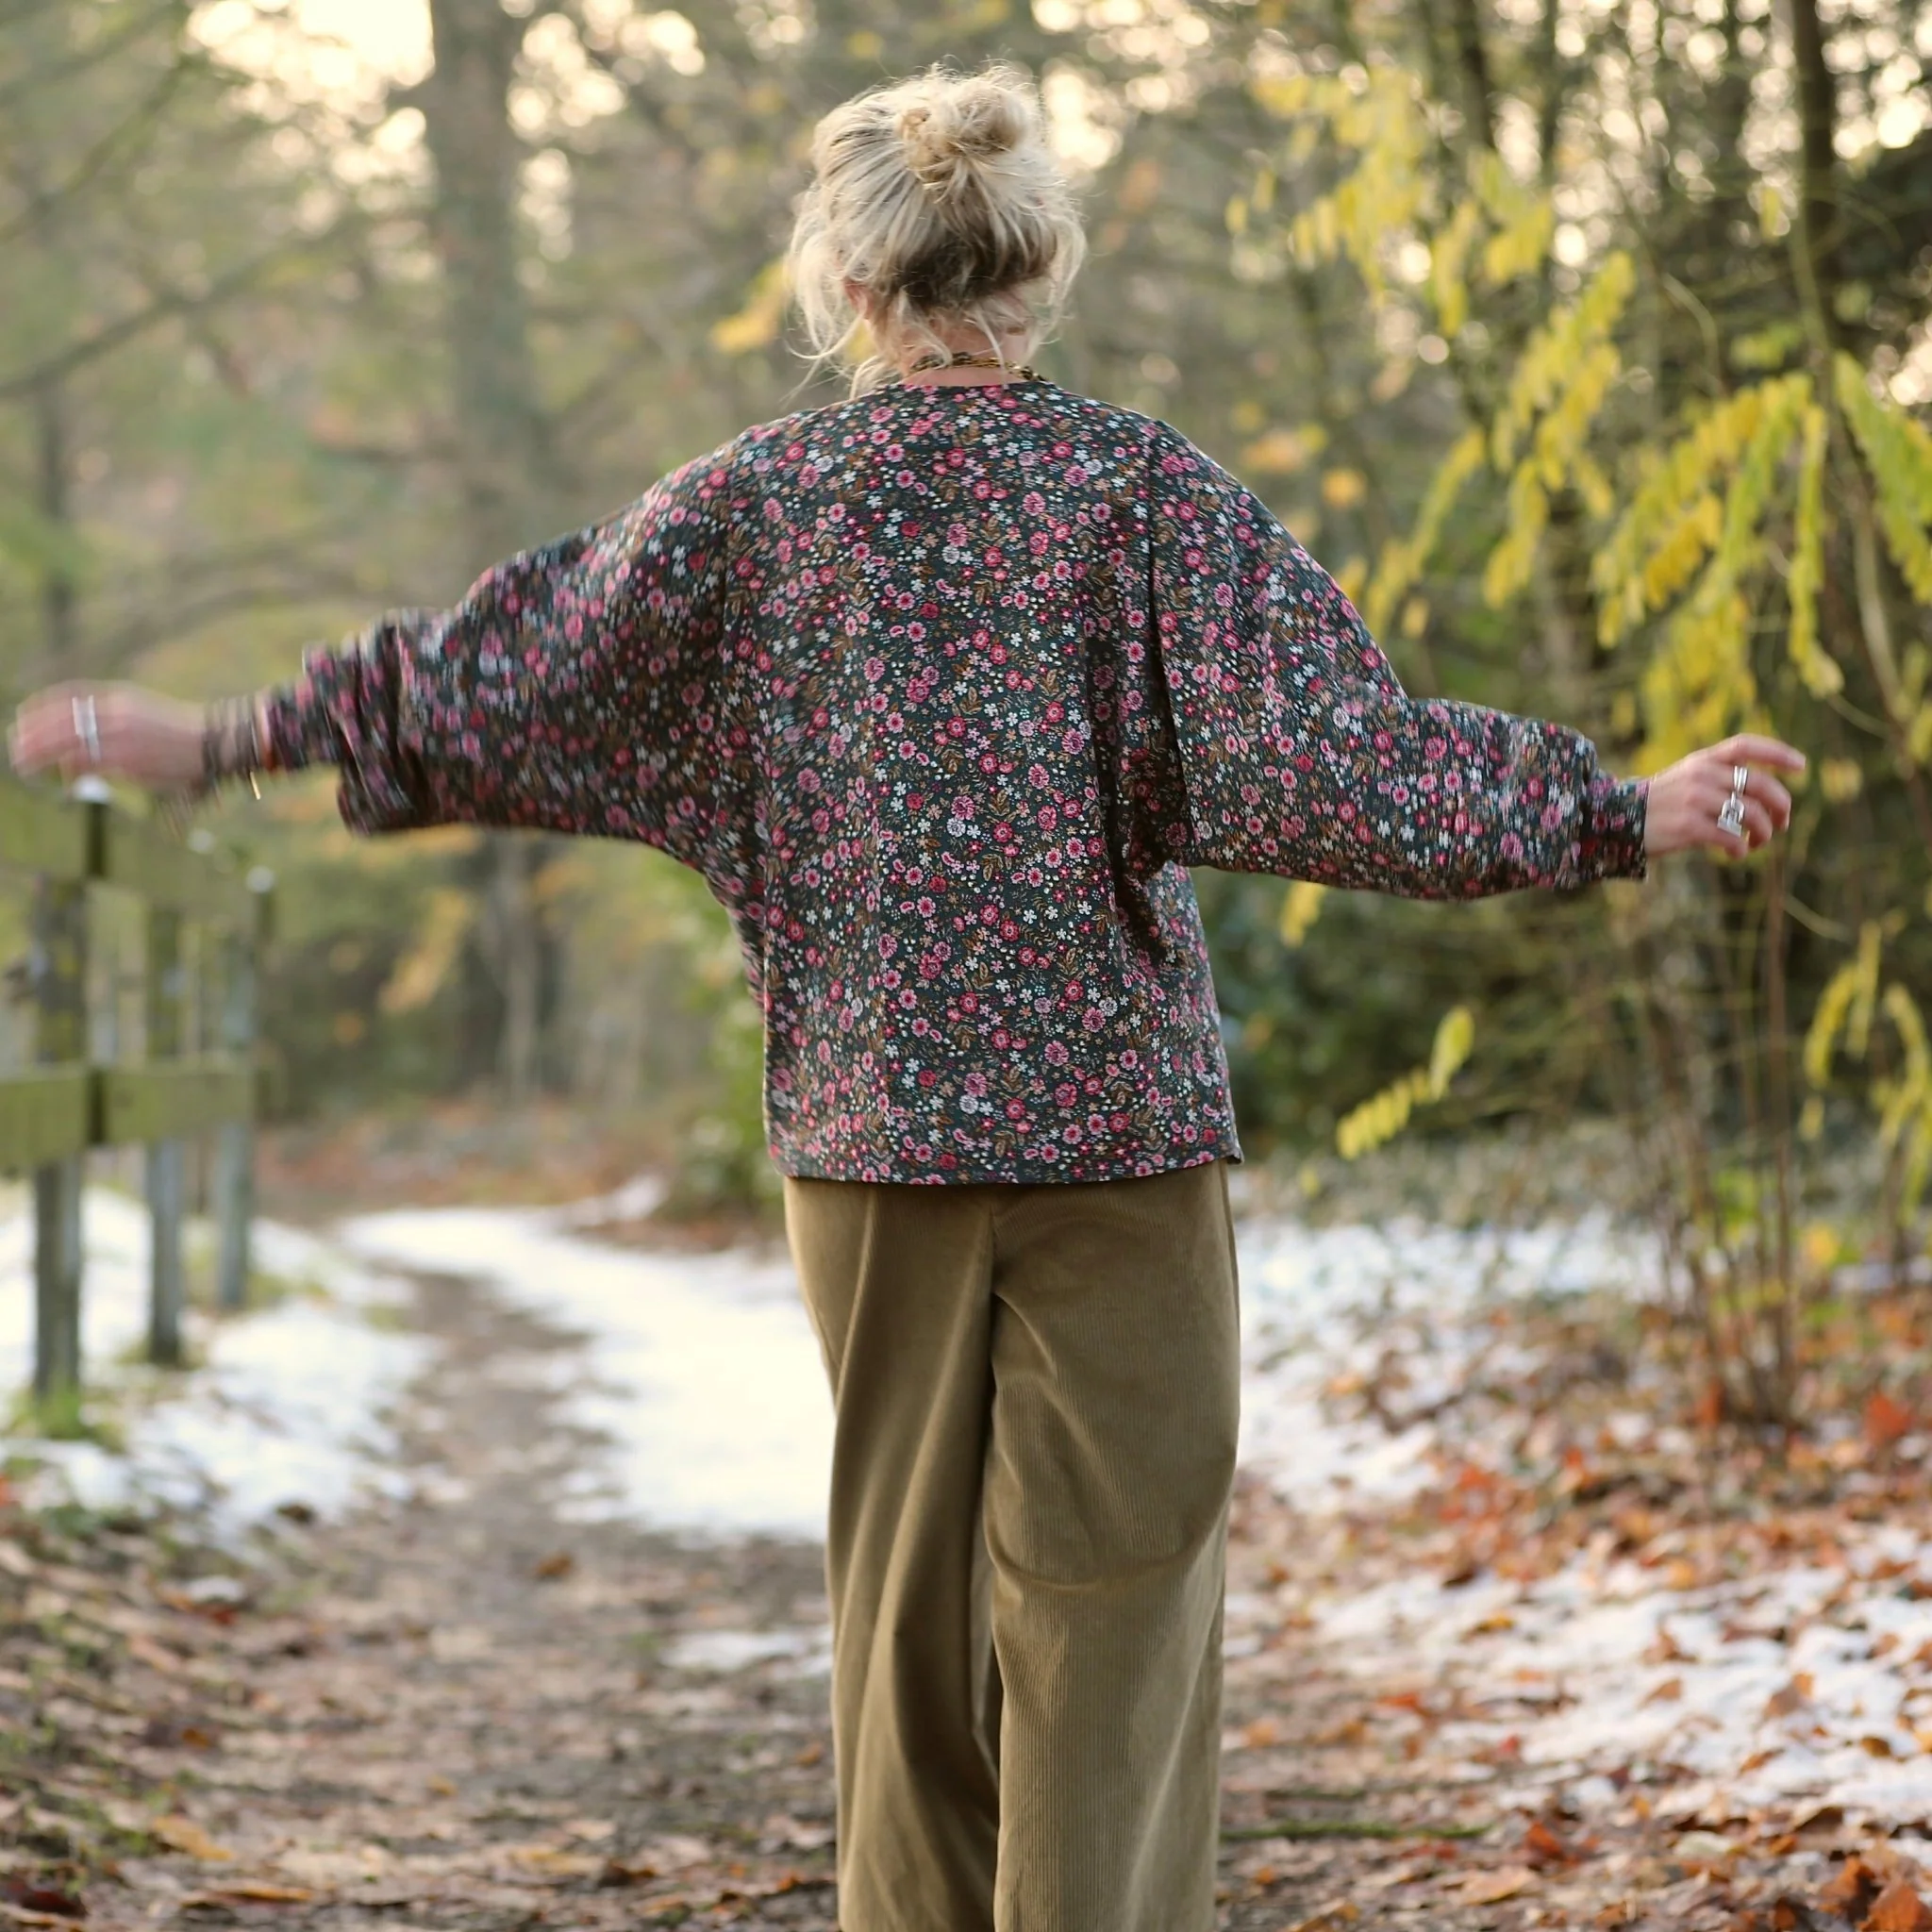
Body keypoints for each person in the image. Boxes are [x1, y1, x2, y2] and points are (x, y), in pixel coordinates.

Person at [10, 62, 1802, 1932]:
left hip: (870, 1140)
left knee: (902, 1623)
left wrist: (228, 737)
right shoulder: (1137, 492)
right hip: (1121, 1131)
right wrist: (1613, 810)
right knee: (1115, 1609)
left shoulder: (750, 508)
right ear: (1035, 276)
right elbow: (1327, 754)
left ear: (850, 288)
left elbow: (499, 680)